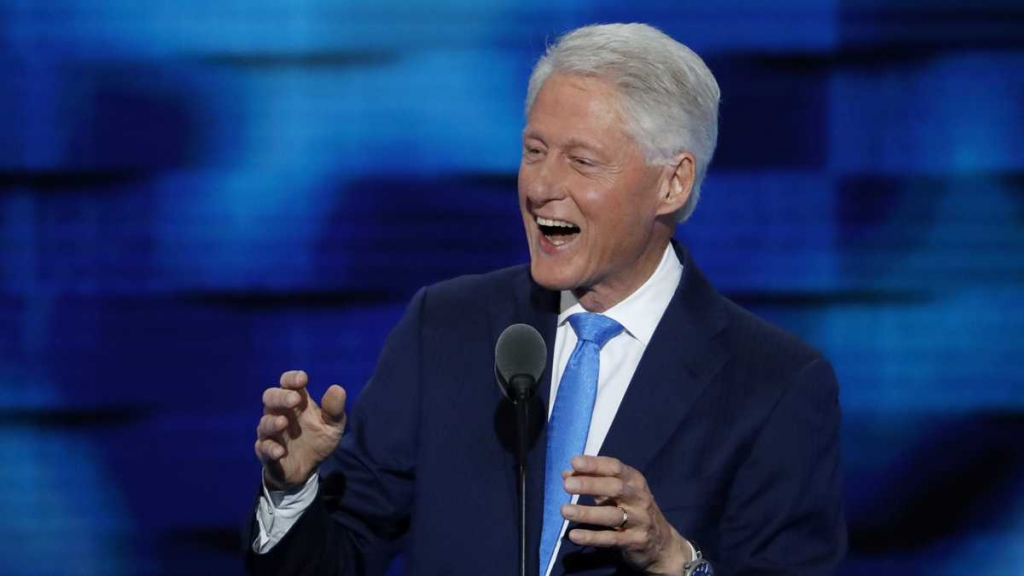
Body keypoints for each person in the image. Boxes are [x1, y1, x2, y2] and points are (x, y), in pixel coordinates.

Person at [246, 23, 846, 576]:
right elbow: (341, 558)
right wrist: (293, 492)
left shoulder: (775, 385)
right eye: (534, 151)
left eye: (581, 161)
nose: (541, 186)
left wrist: (672, 556)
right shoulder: (447, 328)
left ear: (672, 182)